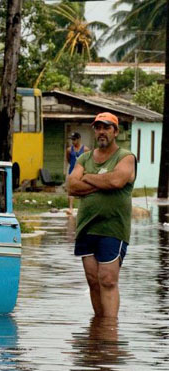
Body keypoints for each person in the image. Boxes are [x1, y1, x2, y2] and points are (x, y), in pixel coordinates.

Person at [68, 112, 136, 319]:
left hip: (112, 228)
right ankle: (98, 329)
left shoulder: (126, 157)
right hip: (87, 227)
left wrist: (87, 178)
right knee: (93, 280)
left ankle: (110, 330)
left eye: (106, 128)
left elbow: (116, 181)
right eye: (98, 127)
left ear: (115, 131)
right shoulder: (85, 157)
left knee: (107, 279)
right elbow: (71, 185)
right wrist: (100, 182)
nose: (101, 132)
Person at [65, 132, 90, 215]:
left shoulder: (85, 149)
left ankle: (81, 207)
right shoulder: (69, 150)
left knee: (82, 189)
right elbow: (68, 159)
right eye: (72, 140)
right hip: (72, 170)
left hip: (82, 171)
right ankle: (70, 208)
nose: (73, 141)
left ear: (79, 139)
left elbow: (88, 160)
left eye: (74, 139)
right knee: (71, 190)